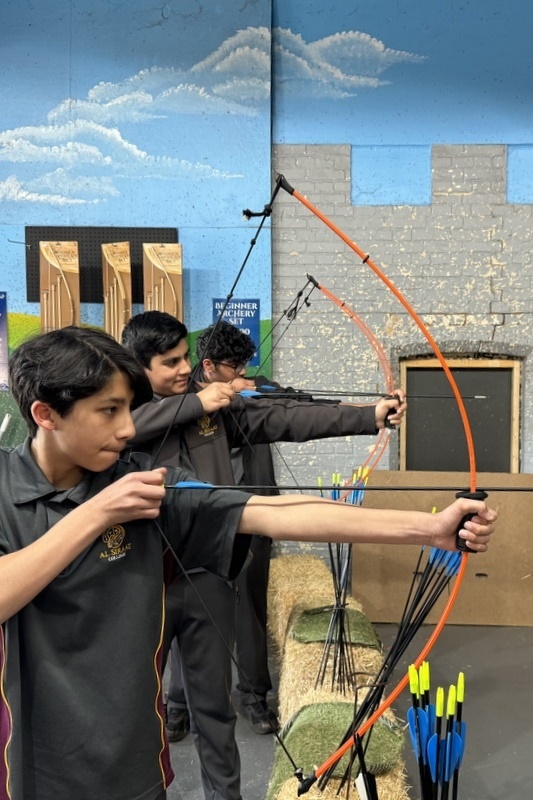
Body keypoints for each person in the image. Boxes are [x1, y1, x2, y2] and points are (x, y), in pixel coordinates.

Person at [0, 325, 495, 800]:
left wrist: (429, 529)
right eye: (108, 410)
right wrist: (95, 514)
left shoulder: (139, 482)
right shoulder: (16, 486)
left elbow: (274, 511)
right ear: (46, 414)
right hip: (25, 769)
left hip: (130, 768)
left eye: (129, 408)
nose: (127, 427)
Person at [120, 311, 407, 800]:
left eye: (186, 357)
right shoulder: (121, 411)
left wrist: (369, 414)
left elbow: (287, 416)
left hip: (207, 574)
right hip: (140, 581)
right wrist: (193, 403)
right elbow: (121, 430)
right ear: (138, 367)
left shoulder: (215, 409)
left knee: (215, 710)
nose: (185, 368)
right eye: (169, 363)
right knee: (133, 711)